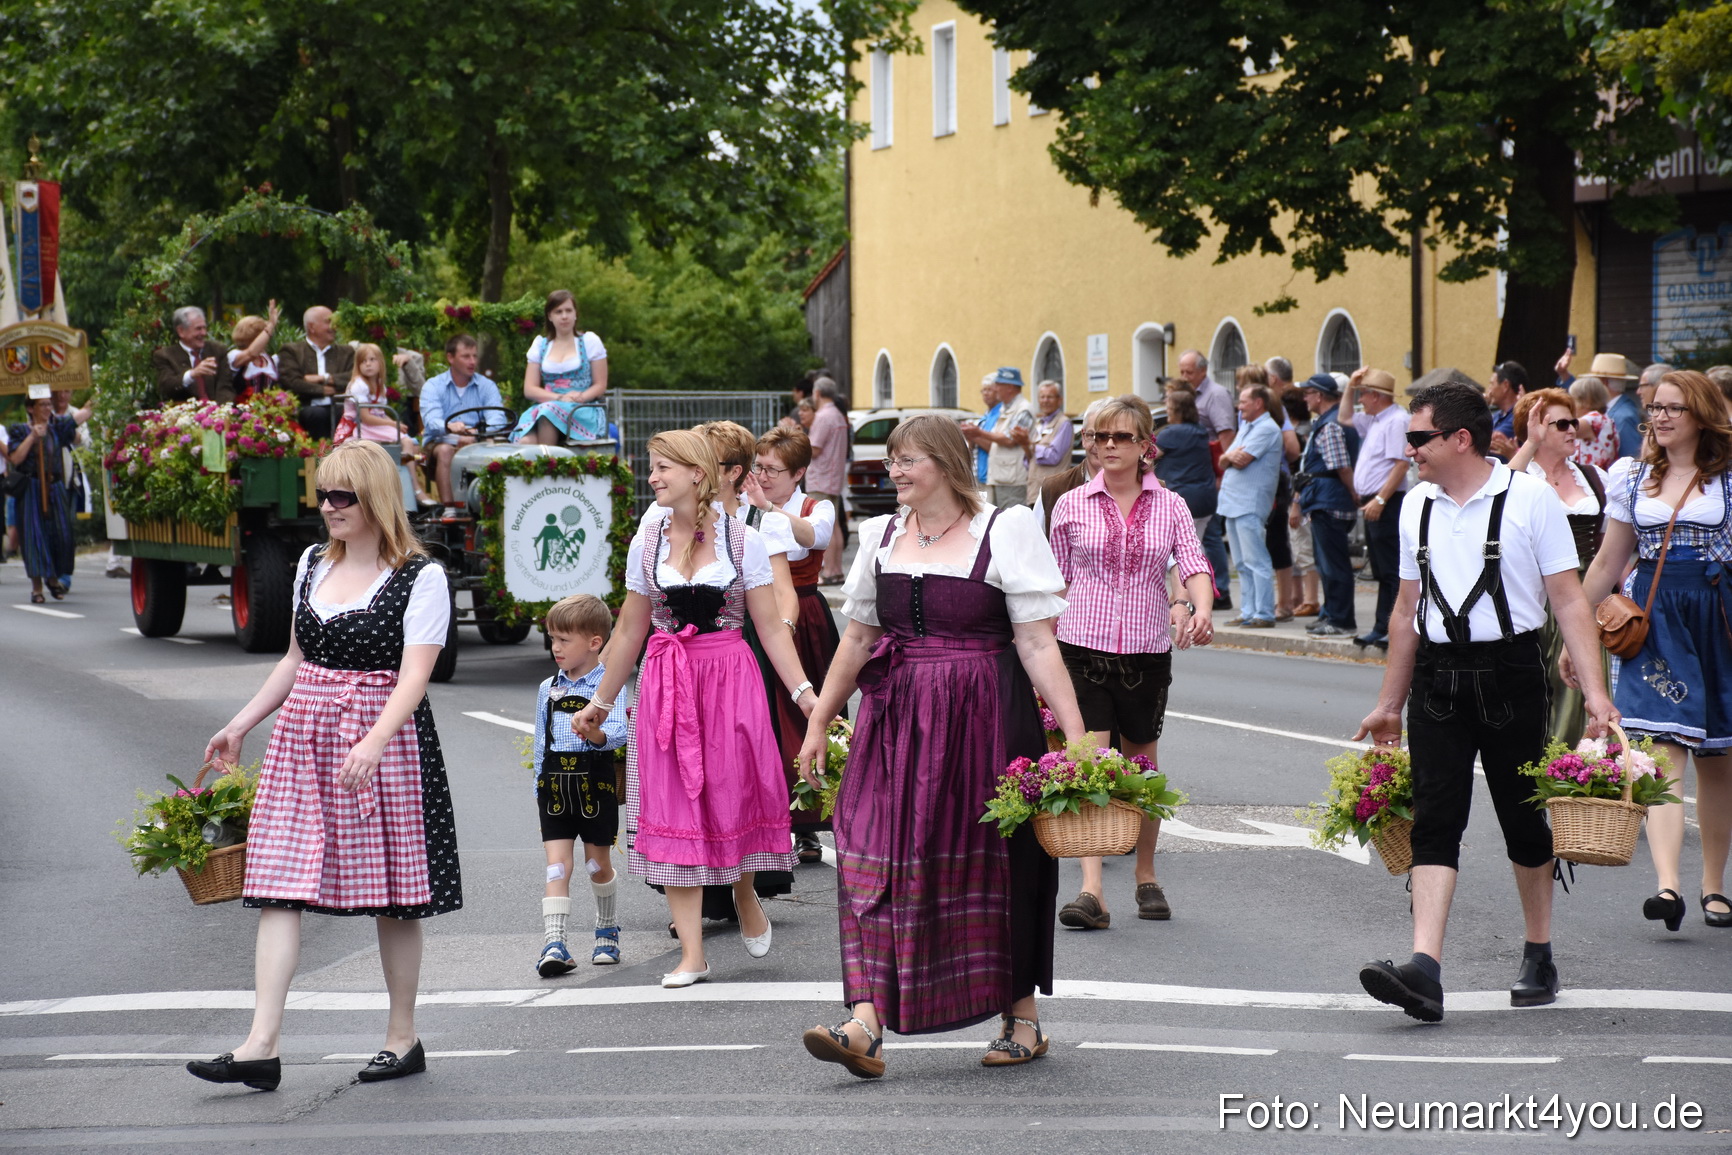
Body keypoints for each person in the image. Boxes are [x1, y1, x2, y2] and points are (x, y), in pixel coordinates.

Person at [795, 415, 1087, 1077]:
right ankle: (866, 1022)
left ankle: (1020, 1016)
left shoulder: (1003, 531)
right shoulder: (881, 536)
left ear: (950, 465)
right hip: (894, 718)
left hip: (983, 716)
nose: (895, 471)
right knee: (871, 851)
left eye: (910, 460)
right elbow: (860, 638)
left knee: (990, 861)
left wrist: (1073, 736)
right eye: (893, 460)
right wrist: (820, 719)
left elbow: (1037, 642)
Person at [190, 440, 460, 1090]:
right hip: (302, 740)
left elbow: (414, 679)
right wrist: (239, 723)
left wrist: (371, 740)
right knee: (277, 883)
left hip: (384, 745)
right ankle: (261, 1044)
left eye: (343, 495)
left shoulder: (420, 576)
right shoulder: (311, 561)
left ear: (374, 500)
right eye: (325, 493)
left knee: (395, 898)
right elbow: (293, 659)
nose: (329, 506)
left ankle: (403, 1037)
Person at [1353, 379, 1614, 1023]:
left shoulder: (1528, 499)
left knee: (1524, 819)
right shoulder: (1417, 504)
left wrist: (1598, 699)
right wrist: (1390, 702)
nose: (1408, 448)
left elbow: (1570, 599)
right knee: (1436, 819)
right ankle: (1425, 968)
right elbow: (1407, 610)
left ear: (1459, 438)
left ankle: (1538, 951)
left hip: (1511, 672)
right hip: (1439, 679)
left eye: (1418, 437)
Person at [573, 430, 814, 988]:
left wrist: (808, 697)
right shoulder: (647, 539)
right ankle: (693, 954)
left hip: (729, 678)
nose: (652, 477)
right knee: (677, 806)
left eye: (662, 468)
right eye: (652, 468)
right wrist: (601, 701)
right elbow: (631, 628)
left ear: (697, 474)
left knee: (732, 797)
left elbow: (772, 631)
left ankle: (745, 888)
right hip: (666, 682)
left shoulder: (740, 539)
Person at [1575, 369, 1732, 934]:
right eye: (1656, 408)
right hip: (1651, 623)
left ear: (1702, 416)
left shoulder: (1730, 482)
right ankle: (1667, 883)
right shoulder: (1632, 478)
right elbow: (1606, 564)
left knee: (1718, 760)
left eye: (1674, 408)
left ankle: (1714, 883)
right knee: (1664, 750)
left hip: (1716, 618)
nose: (1660, 417)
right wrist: (1579, 633)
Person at [1049, 395, 1214, 929]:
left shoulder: (1171, 506)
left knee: (1143, 766)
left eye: (1121, 437)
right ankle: (1091, 889)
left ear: (1147, 446)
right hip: (1081, 645)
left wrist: (1201, 609)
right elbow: (1052, 584)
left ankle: (1146, 874)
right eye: (1099, 437)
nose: (1109, 446)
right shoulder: (1071, 505)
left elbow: (1193, 563)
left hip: (1146, 650)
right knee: (1089, 764)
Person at [751, 426, 841, 864]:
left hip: (803, 616)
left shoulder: (816, 506)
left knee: (812, 717)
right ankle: (773, 818)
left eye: (773, 469)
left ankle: (810, 824)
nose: (763, 475)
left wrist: (768, 509)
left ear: (799, 471)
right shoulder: (746, 504)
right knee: (768, 719)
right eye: (759, 466)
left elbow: (814, 537)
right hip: (758, 615)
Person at [533, 593, 629, 975]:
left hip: (595, 786)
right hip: (555, 788)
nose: (555, 648)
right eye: (552, 639)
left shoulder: (610, 685)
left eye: (564, 640)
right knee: (557, 867)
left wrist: (595, 734)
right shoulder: (548, 689)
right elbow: (542, 739)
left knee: (595, 864)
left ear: (594, 642)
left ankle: (606, 930)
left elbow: (621, 732)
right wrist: (539, 784)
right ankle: (554, 942)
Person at [1508, 388, 1609, 745]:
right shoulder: (1521, 479)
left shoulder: (1594, 477)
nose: (1572, 430)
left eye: (1574, 422)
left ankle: (1569, 779)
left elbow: (1612, 547)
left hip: (1587, 592)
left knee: (1576, 692)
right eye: (1561, 423)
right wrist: (1530, 445)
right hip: (1535, 593)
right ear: (1534, 428)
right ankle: (1533, 777)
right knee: (1532, 693)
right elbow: (1497, 496)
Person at [1342, 368, 1410, 649]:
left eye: (1363, 394)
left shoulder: (1396, 420)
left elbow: (1401, 464)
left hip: (1386, 500)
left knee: (1391, 569)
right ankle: (1381, 626)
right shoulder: (1375, 421)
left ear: (1375, 396)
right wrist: (1349, 385)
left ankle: (1389, 628)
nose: (1360, 400)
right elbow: (1344, 417)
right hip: (1374, 499)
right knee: (1382, 569)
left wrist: (1381, 499)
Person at [6, 390, 89, 603]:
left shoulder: (56, 429)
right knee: (34, 536)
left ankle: (53, 578)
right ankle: (37, 588)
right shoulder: (19, 430)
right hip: (32, 487)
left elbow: (75, 422)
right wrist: (33, 436)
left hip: (55, 486)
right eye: (42, 405)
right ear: (31, 408)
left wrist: (90, 407)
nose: (47, 408)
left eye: (48, 404)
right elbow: (15, 458)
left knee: (60, 534)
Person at [1295, 373, 1360, 637]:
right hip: (1325, 497)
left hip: (1329, 499)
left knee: (1334, 564)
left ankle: (1341, 620)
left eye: (1308, 393)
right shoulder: (1326, 421)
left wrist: (1354, 492)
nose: (1304, 398)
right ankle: (1330, 614)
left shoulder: (1330, 425)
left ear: (1320, 395)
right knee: (1327, 563)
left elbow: (1341, 466)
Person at [1218, 380, 1283, 627]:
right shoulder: (1247, 425)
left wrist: (1230, 458)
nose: (1239, 406)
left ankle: (1264, 613)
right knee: (1242, 563)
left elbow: (1242, 459)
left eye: (1243, 401)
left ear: (1258, 403)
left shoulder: (1266, 428)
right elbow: (1224, 460)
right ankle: (1248, 611)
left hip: (1249, 502)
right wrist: (1228, 457)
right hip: (1233, 502)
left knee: (1256, 560)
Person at [511, 290, 609, 445]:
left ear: (575, 314)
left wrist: (580, 397)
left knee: (548, 412)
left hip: (581, 408)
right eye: (558, 311)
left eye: (568, 310)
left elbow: (600, 385)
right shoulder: (540, 346)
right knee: (525, 441)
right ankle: (536, 466)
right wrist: (559, 398)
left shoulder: (590, 342)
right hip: (548, 402)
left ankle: (549, 467)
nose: (564, 316)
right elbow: (529, 389)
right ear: (550, 316)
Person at [342, 343, 433, 504]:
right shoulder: (359, 385)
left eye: (372, 360)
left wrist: (394, 423)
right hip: (359, 426)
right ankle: (415, 489)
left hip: (372, 425)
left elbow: (380, 413)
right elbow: (366, 417)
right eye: (363, 361)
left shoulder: (378, 384)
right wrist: (392, 425)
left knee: (412, 443)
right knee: (406, 441)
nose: (368, 364)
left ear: (380, 363)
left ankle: (405, 483)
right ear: (358, 365)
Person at [1177, 349, 1234, 605]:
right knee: (1207, 536)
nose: (1184, 376)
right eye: (1182, 372)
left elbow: (1226, 438)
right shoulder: (1192, 394)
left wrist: (1222, 475)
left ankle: (1220, 589)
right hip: (1201, 473)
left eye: (1189, 372)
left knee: (1210, 537)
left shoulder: (1215, 395)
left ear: (1203, 371)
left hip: (1210, 474)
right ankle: (1212, 590)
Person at [419, 334, 504, 506]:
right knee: (445, 451)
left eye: (474, 356)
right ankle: (450, 510)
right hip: (440, 443)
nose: (472, 361)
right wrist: (452, 430)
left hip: (477, 441)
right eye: (466, 356)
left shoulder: (487, 386)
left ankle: (491, 508)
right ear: (450, 357)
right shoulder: (433, 386)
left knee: (496, 445)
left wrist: (477, 434)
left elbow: (498, 420)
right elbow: (432, 422)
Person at [1153, 388, 1217, 547]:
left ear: (1178, 410)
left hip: (1183, 500)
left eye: (1169, 406)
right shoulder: (1200, 430)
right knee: (1196, 547)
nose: (1166, 409)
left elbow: (1148, 456)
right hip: (1205, 500)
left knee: (1181, 553)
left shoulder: (1171, 433)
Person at [278, 306, 354, 439]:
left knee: (344, 412)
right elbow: (292, 382)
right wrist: (324, 390)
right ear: (311, 327)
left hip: (338, 405)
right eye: (328, 322)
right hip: (308, 406)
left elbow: (353, 377)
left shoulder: (347, 352)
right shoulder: (292, 351)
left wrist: (323, 378)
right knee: (316, 414)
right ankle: (318, 455)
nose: (334, 326)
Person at [1034, 399, 1108, 533]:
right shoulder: (1054, 489)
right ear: (1084, 437)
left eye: (1106, 436)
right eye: (1092, 435)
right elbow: (1036, 544)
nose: (1099, 444)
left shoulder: (1149, 491)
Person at [967, 367, 1035, 510]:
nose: (995, 388)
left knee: (1011, 522)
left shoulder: (1023, 409)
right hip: (1002, 476)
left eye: (998, 385)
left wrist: (978, 432)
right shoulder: (1006, 409)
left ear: (1009, 387)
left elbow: (1010, 440)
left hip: (1013, 479)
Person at [804, 377, 850, 584]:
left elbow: (814, 449)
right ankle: (836, 569)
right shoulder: (839, 415)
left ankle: (829, 571)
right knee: (835, 525)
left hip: (821, 476)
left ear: (817, 394)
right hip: (834, 476)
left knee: (824, 524)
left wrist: (796, 441)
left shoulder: (823, 416)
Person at [151, 306, 234, 405]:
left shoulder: (217, 351)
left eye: (204, 328)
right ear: (181, 331)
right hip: (185, 414)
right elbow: (166, 388)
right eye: (198, 329)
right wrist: (192, 374)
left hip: (217, 413)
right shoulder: (165, 356)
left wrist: (221, 411)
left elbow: (225, 388)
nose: (203, 333)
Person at [1025, 380, 1073, 503]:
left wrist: (1031, 446)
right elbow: (1028, 462)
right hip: (1035, 491)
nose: (1045, 400)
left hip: (1054, 493)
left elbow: (1053, 456)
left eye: (1050, 397)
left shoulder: (1064, 423)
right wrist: (1024, 444)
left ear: (1060, 400)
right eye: (1042, 397)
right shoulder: (1039, 423)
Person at [224, 303, 282, 404]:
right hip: (243, 412)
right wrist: (271, 325)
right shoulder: (234, 355)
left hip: (269, 412)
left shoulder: (270, 359)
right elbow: (251, 354)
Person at [1564, 374, 1620, 471]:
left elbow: (1562, 429)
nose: (1571, 406)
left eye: (1573, 400)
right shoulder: (1603, 419)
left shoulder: (1595, 419)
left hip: (1594, 478)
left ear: (1586, 401)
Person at [1486, 361, 1527, 461]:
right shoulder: (1496, 415)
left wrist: (1479, 405)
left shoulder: (1518, 417)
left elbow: (1484, 440)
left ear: (1505, 385)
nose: (1489, 391)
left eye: (1492, 384)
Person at [966, 376, 1003, 487]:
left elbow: (995, 448)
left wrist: (974, 436)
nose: (986, 394)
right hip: (979, 474)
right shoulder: (986, 415)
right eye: (984, 390)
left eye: (989, 390)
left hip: (993, 474)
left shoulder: (1001, 413)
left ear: (998, 391)